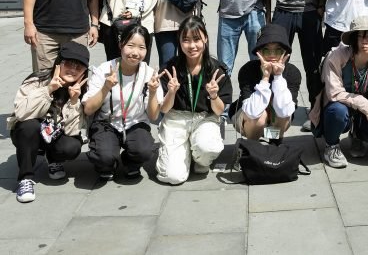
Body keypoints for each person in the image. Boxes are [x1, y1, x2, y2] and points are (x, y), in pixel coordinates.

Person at [309, 17, 368, 169]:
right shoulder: (337, 56)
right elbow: (333, 93)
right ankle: (332, 146)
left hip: (364, 112)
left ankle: (357, 134)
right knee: (338, 111)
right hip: (338, 107)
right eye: (360, 36)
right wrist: (362, 102)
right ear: (353, 39)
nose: (364, 41)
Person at [10, 42, 89, 203]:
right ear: (59, 63)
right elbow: (21, 113)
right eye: (69, 63)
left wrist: (74, 101)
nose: (73, 70)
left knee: (72, 146)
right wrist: (48, 90)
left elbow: (72, 132)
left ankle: (53, 158)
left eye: (79, 67)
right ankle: (25, 178)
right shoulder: (37, 80)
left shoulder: (81, 90)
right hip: (28, 134)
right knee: (29, 126)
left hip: (54, 134)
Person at [156, 16, 232, 184]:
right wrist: (171, 92)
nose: (192, 46)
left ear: (205, 38)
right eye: (186, 40)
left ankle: (199, 158)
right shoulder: (170, 68)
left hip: (205, 118)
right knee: (173, 176)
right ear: (180, 42)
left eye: (197, 39)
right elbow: (164, 109)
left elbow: (219, 111)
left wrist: (214, 95)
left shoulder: (216, 70)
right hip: (176, 118)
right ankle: (182, 152)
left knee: (208, 148)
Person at [83, 24, 164, 180]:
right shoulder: (105, 69)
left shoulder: (149, 74)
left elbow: (153, 116)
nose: (135, 53)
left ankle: (130, 162)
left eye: (141, 47)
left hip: (135, 123)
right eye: (130, 46)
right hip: (107, 123)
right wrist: (106, 87)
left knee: (144, 150)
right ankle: (107, 161)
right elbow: (88, 109)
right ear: (121, 44)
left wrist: (153, 91)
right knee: (104, 157)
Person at [229, 24, 301, 144]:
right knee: (260, 117)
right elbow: (251, 112)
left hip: (277, 121)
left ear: (285, 52)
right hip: (249, 120)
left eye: (278, 50)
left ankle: (274, 142)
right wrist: (265, 77)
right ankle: (252, 146)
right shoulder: (247, 70)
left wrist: (278, 77)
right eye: (266, 50)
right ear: (259, 53)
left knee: (282, 114)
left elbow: (285, 112)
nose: (272, 55)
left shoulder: (293, 72)